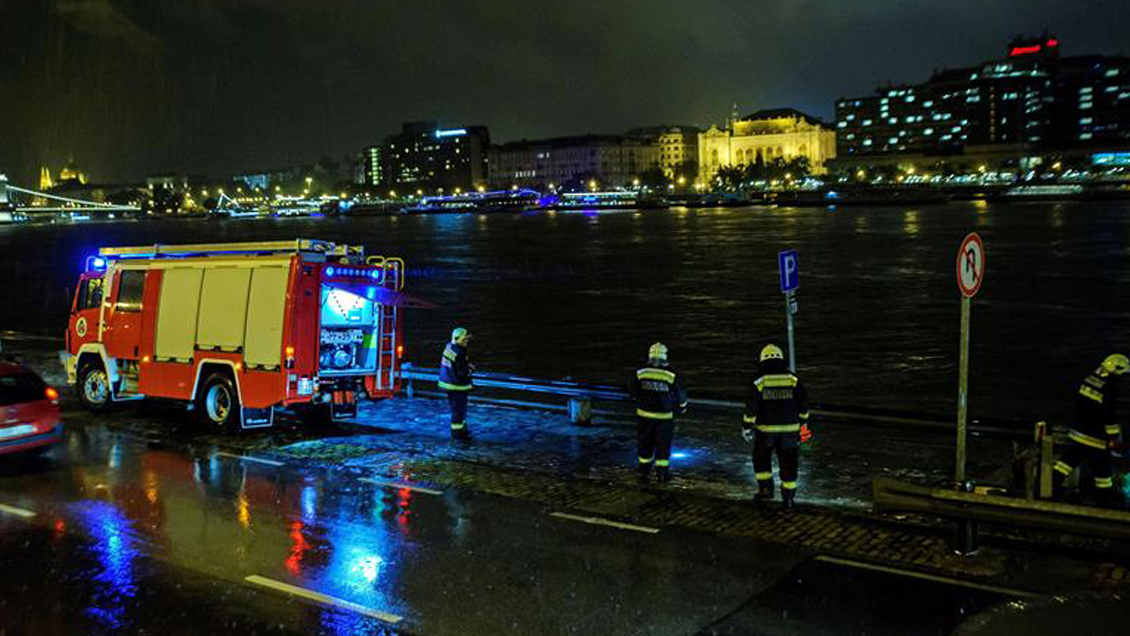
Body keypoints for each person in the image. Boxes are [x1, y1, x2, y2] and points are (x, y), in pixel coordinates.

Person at [1053, 353, 1127, 507]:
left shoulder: (1090, 379)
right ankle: (1104, 501)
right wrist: (1114, 437)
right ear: (1115, 370)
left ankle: (1050, 483)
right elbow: (1109, 414)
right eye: (1122, 374)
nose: (1123, 378)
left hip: (1079, 431)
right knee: (1103, 469)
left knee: (1069, 459)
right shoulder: (1109, 387)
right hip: (1096, 436)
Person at [742, 344, 810, 509]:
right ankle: (788, 498)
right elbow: (803, 404)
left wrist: (746, 425)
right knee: (789, 463)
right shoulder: (792, 379)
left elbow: (751, 406)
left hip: (766, 431)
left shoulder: (759, 380)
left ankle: (766, 490)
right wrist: (803, 424)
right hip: (790, 432)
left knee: (762, 460)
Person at [629, 342, 688, 483]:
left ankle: (643, 472)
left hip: (644, 415)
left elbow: (632, 388)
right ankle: (662, 474)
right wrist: (683, 406)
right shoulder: (670, 374)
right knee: (663, 445)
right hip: (664, 417)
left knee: (645, 443)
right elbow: (680, 393)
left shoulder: (641, 371)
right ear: (665, 356)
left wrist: (638, 397)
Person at [438, 327, 475, 439]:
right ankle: (457, 435)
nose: (467, 342)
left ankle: (461, 431)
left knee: (458, 409)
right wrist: (471, 369)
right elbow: (462, 372)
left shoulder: (449, 347)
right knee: (458, 411)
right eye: (466, 339)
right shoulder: (459, 352)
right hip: (457, 386)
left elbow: (453, 366)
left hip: (448, 383)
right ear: (460, 340)